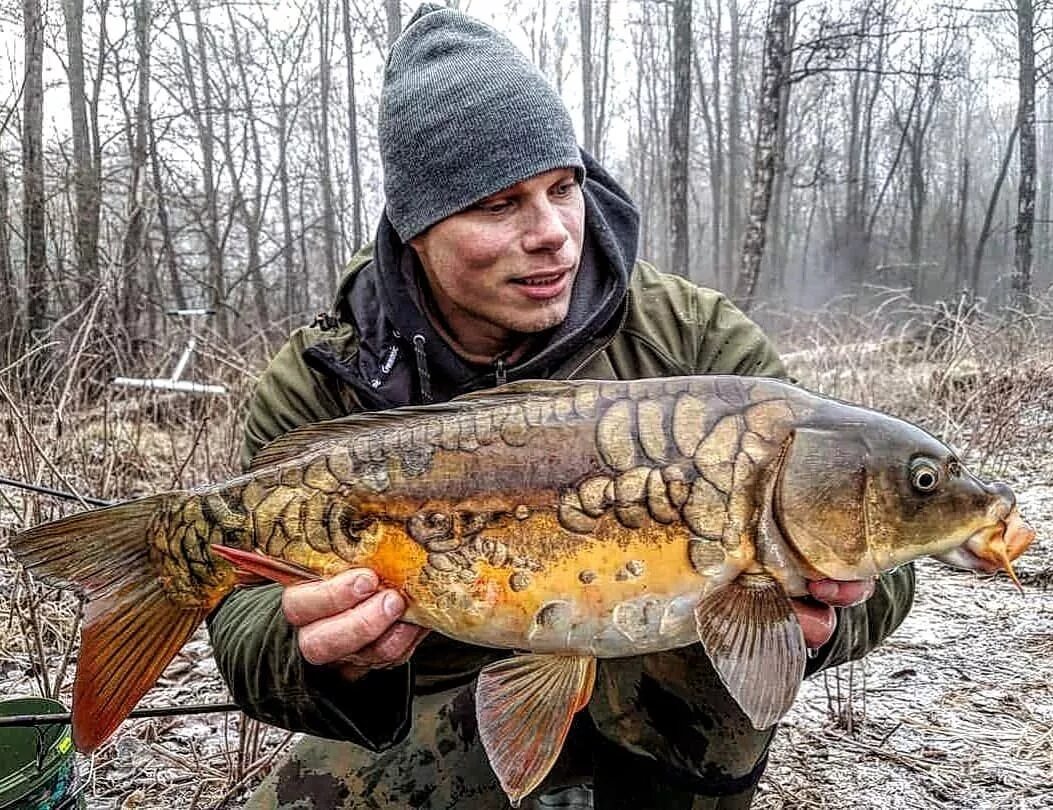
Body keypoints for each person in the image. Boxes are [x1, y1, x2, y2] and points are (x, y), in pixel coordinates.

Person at [207, 4, 915, 808]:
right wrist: (321, 652)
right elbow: (241, 620)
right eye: (498, 204)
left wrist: (829, 618)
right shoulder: (325, 380)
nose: (551, 233)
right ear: (417, 230)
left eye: (562, 186)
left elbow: (878, 538)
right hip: (436, 695)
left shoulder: (695, 343)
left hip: (665, 701)